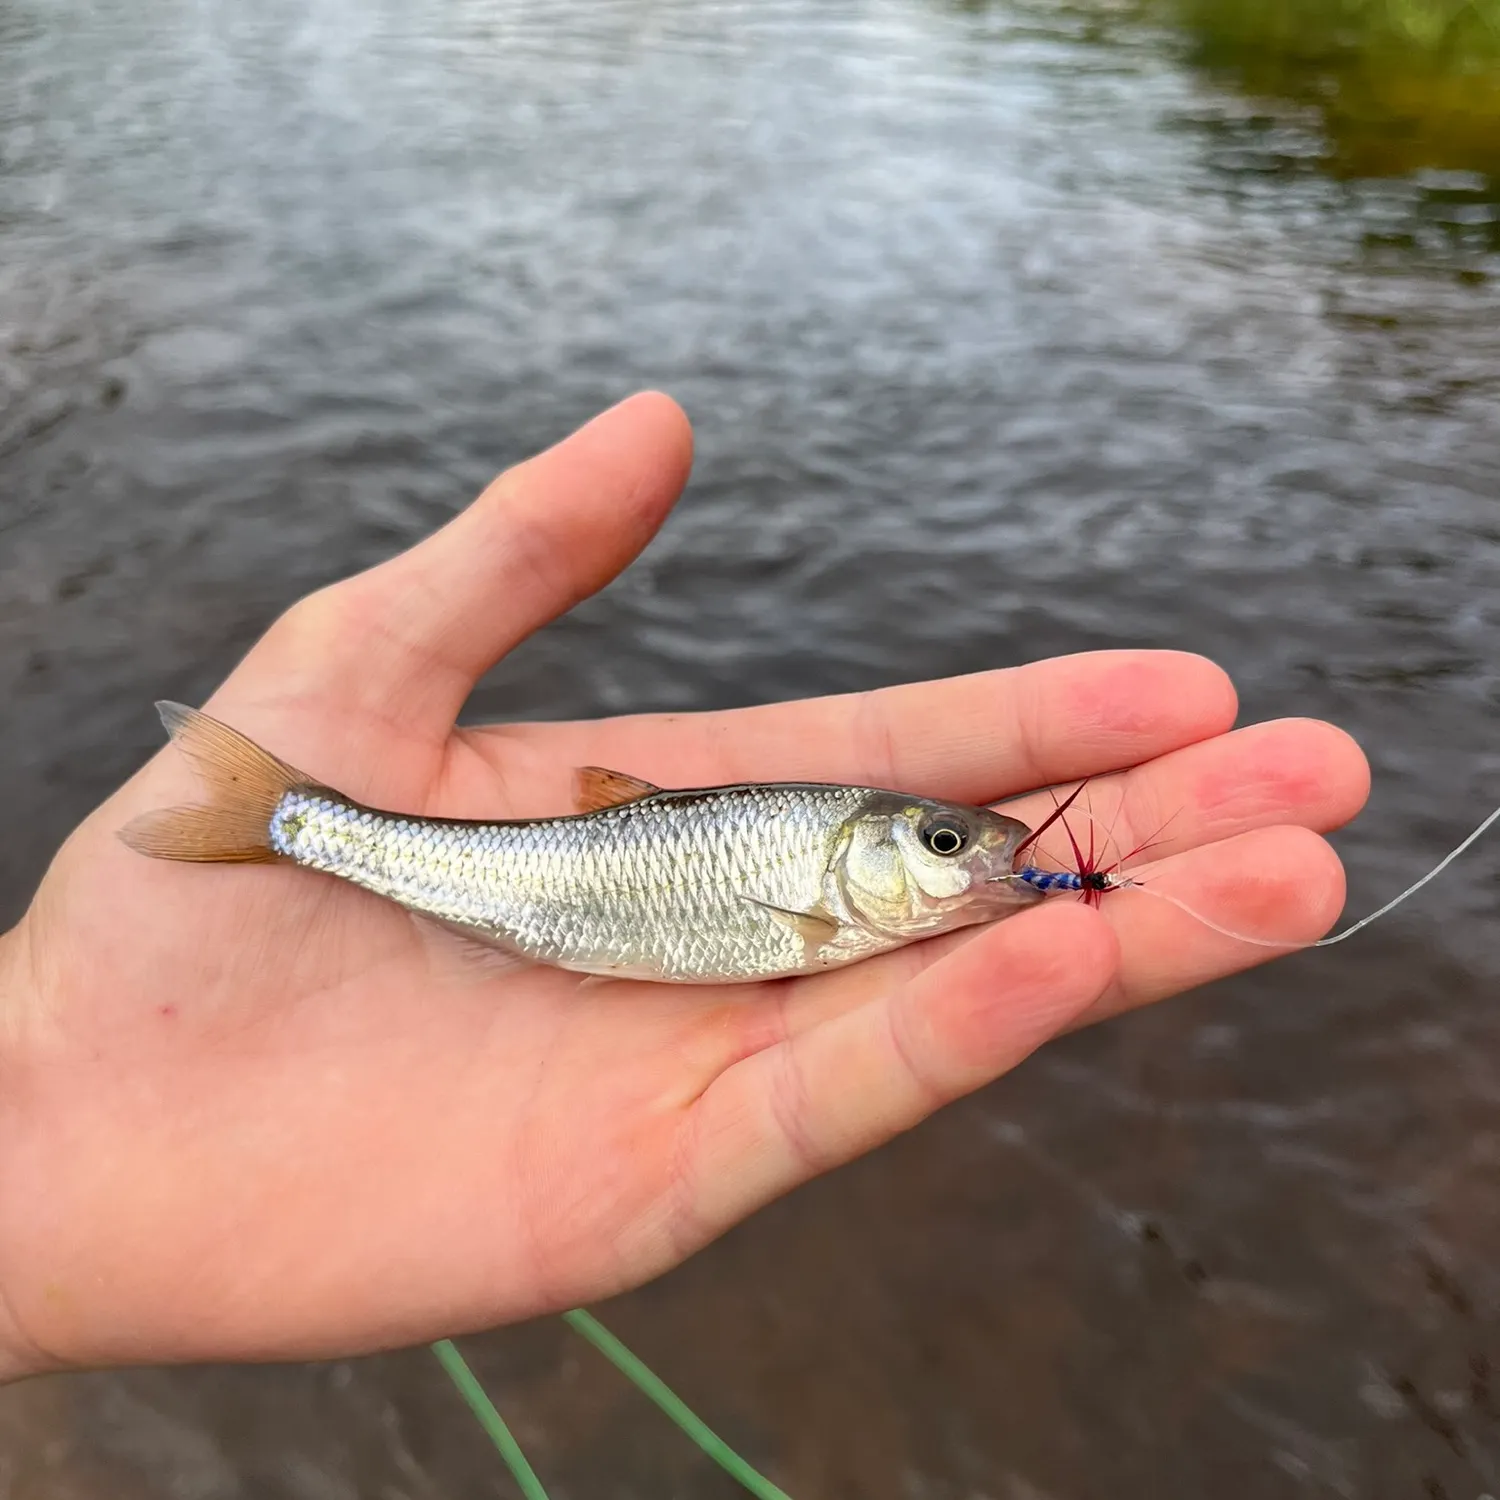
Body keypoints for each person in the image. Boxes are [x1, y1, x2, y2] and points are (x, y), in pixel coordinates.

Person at [0, 393, 1368, 1382]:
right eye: (948, 847)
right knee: (331, 828)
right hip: (544, 887)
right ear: (875, 857)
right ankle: (293, 820)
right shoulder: (827, 900)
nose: (981, 861)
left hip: (567, 890)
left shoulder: (857, 895)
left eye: (960, 848)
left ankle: (293, 820)